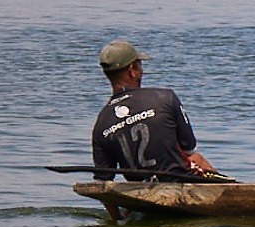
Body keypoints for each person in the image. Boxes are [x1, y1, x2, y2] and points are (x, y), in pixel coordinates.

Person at [90, 39, 218, 180]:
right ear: (132, 70)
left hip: (138, 192)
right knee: (196, 158)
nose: (142, 71)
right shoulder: (165, 97)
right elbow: (188, 145)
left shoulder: (100, 124)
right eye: (140, 65)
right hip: (179, 183)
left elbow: (103, 180)